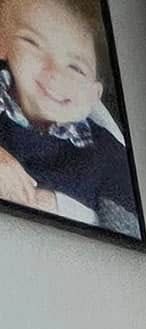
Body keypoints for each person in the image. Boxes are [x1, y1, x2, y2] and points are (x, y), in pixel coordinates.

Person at [0, 0, 138, 236]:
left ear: (93, 94)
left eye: (76, 68)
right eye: (33, 42)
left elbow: (130, 232)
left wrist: (57, 208)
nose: (54, 72)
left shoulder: (108, 154)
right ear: (4, 42)